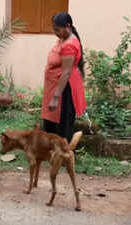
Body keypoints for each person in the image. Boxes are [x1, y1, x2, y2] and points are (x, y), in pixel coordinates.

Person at [41, 12, 87, 143]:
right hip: (56, 86)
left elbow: (66, 72)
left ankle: (62, 153)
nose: (55, 32)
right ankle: (52, 151)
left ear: (68, 26)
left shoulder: (69, 45)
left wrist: (55, 97)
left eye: (57, 29)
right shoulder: (64, 38)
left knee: (62, 123)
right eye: (54, 29)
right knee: (53, 120)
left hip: (64, 89)